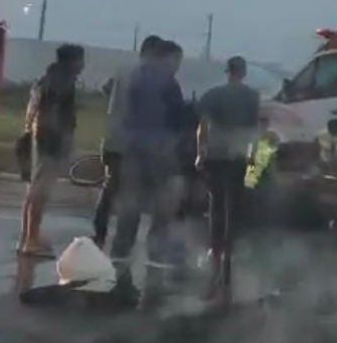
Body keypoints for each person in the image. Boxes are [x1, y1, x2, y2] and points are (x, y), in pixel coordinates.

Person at [109, 40, 186, 265]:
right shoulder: (167, 81)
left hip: (131, 146)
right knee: (167, 195)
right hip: (159, 148)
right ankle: (157, 248)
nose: (178, 66)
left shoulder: (133, 75)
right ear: (167, 57)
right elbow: (176, 118)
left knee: (130, 199)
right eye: (177, 60)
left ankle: (121, 249)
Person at [91, 35, 166, 247]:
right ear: (152, 52)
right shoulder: (150, 75)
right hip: (133, 144)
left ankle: (99, 233)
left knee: (109, 188)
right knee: (132, 193)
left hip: (112, 136)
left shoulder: (122, 69)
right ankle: (123, 241)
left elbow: (104, 89)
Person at [196, 56, 261, 296]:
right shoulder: (252, 97)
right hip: (238, 159)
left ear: (227, 72)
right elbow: (255, 135)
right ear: (243, 72)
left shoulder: (213, 95)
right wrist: (253, 169)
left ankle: (216, 251)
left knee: (216, 204)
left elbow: (202, 126)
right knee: (234, 207)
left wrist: (199, 155)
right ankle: (228, 254)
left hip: (216, 156)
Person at [19, 43, 85, 257]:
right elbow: (55, 114)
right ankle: (30, 240)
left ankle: (28, 236)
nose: (82, 65)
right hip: (50, 140)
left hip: (40, 137)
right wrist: (64, 141)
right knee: (41, 191)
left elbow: (35, 111)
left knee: (34, 190)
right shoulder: (62, 81)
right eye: (80, 60)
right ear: (72, 61)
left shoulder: (47, 78)